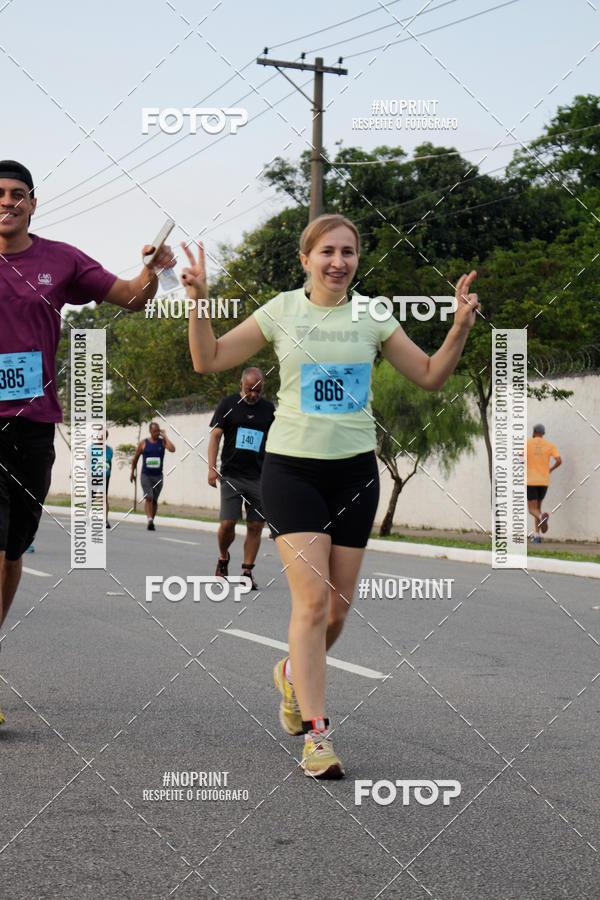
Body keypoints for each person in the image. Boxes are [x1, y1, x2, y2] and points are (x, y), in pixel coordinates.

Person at [183, 214, 479, 778]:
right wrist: (198, 301)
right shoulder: (281, 311)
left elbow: (431, 375)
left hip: (354, 473)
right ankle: (317, 736)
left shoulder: (374, 315)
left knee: (338, 612)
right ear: (306, 259)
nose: (338, 261)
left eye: (348, 252)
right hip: (291, 470)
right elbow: (208, 359)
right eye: (327, 251)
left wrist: (460, 324)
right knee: (313, 604)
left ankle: (293, 674)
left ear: (357, 260)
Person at [0, 159, 176, 725]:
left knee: (11, 552)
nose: (7, 203)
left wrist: (151, 270)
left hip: (32, 423)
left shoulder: (60, 260)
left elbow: (131, 297)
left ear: (32, 202)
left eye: (17, 195)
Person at [208, 368, 275, 589]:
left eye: (258, 391)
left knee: (256, 525)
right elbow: (215, 436)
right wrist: (211, 467)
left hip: (259, 477)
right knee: (228, 523)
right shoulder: (227, 405)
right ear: (241, 385)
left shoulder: (268, 410)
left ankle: (247, 571)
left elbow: (275, 442)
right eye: (250, 390)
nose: (254, 395)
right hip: (232, 475)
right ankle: (223, 557)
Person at [130, 422, 175, 529]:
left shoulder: (162, 442)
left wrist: (165, 436)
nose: (156, 433)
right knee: (149, 497)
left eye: (158, 431)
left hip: (158, 476)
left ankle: (151, 521)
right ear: (150, 431)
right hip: (146, 475)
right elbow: (135, 458)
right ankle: (149, 519)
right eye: (154, 431)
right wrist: (132, 472)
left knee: (154, 500)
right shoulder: (143, 443)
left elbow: (172, 449)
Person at [526, 424, 561, 543]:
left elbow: (520, 459)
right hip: (544, 481)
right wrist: (550, 469)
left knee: (532, 510)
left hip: (531, 480)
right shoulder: (550, 446)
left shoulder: (527, 444)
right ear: (543, 433)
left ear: (534, 431)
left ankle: (542, 518)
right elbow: (559, 460)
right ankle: (537, 536)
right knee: (538, 509)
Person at [88, 428, 113, 528]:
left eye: (103, 436)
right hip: (93, 475)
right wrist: (88, 472)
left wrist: (109, 473)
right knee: (92, 497)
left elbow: (109, 462)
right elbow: (86, 462)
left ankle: (105, 520)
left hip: (105, 476)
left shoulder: (109, 449)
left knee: (104, 497)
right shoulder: (91, 448)